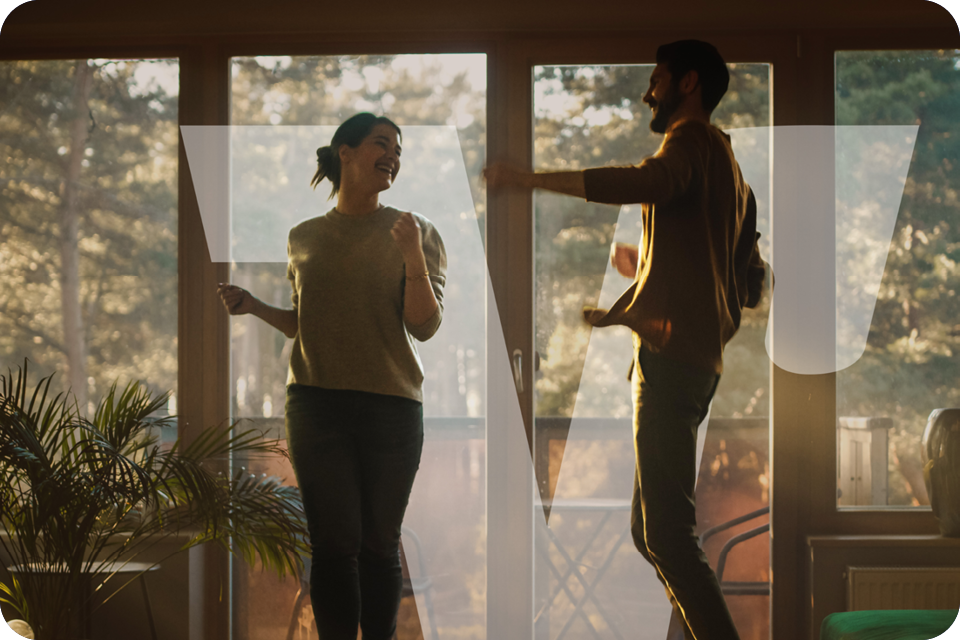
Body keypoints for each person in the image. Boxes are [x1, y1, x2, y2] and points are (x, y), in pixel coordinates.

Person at [484, 41, 765, 640]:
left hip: (673, 362)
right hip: (697, 364)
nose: (648, 92)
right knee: (650, 531)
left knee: (666, 533)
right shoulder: (732, 172)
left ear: (687, 83)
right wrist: (651, 268)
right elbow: (747, 281)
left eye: (657, 80)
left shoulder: (690, 142)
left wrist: (526, 180)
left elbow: (647, 180)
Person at [218, 112, 447, 640]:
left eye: (399, 149)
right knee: (333, 544)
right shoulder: (304, 237)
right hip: (316, 405)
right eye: (381, 143)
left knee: (377, 544)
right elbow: (306, 322)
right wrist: (253, 306)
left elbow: (426, 325)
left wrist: (411, 252)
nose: (393, 154)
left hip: (391, 406)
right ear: (344, 152)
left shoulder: (417, 231)